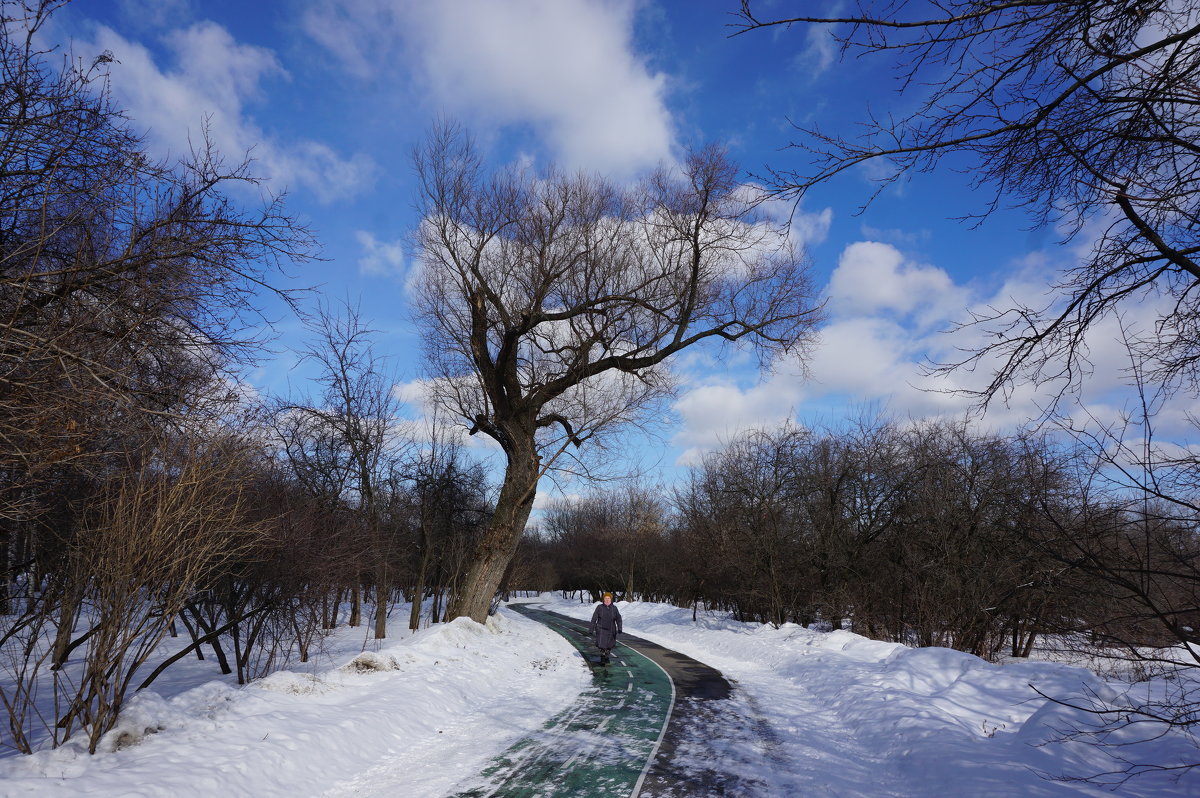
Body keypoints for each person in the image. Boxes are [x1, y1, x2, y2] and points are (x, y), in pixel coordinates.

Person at [589, 592, 622, 666]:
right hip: (601, 629)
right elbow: (594, 618)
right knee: (602, 644)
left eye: (608, 598)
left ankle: (607, 654)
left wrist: (619, 628)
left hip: (611, 629)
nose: (607, 600)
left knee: (609, 645)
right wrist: (591, 629)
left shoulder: (614, 608)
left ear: (611, 599)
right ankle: (603, 657)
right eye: (605, 598)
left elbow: (618, 618)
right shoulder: (599, 607)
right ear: (603, 599)